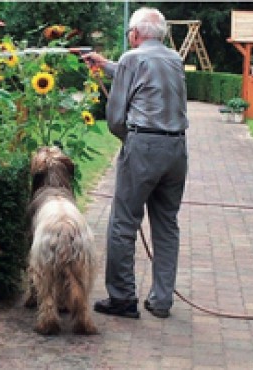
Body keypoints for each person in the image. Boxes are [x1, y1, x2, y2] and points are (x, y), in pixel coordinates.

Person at [82, 7, 188, 319]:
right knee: (167, 225)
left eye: (130, 32)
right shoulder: (174, 59)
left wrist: (131, 141)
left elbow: (115, 119)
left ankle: (122, 298)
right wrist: (104, 64)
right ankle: (161, 301)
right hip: (177, 148)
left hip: (144, 145)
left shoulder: (132, 58)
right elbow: (144, 74)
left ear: (136, 34)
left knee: (123, 223)